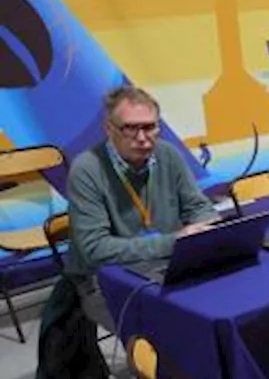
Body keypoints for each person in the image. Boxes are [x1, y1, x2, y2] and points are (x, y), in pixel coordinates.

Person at [65, 86, 220, 329]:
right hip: (107, 277)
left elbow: (199, 207)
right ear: (109, 129)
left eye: (149, 127)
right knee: (172, 329)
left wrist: (206, 226)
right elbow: (95, 249)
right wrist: (175, 241)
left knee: (219, 304)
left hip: (163, 264)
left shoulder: (168, 154)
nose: (142, 137)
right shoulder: (86, 170)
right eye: (130, 128)